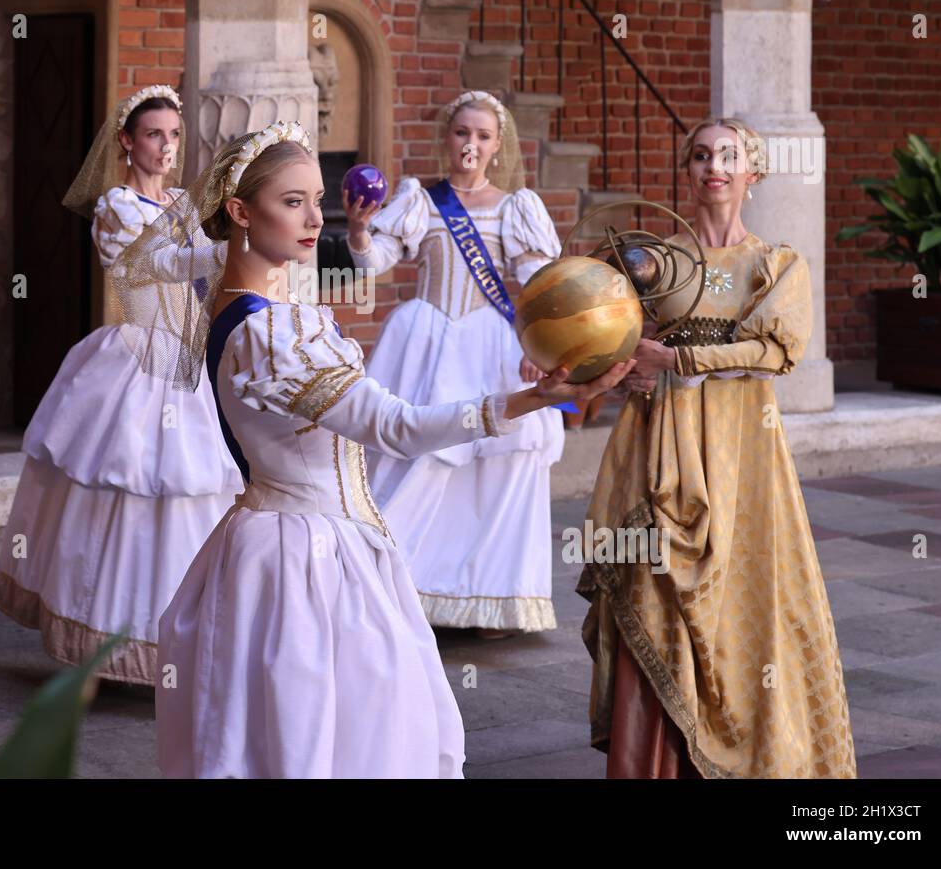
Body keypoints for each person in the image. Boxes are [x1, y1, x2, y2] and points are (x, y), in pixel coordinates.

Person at [112, 120, 633, 778]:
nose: (313, 219)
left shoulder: (257, 307)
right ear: (241, 211)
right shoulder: (263, 334)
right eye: (292, 201)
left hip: (310, 539)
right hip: (300, 557)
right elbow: (399, 427)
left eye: (315, 199)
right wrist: (536, 397)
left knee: (341, 728)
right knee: (321, 730)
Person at [577, 116, 856, 778]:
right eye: (700, 156)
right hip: (655, 445)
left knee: (748, 593)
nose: (713, 167)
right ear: (689, 171)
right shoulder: (653, 258)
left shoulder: (775, 263)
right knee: (652, 586)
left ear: (751, 173)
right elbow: (606, 332)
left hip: (741, 449)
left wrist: (674, 358)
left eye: (728, 156)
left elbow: (769, 355)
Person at [0, 85, 241, 686]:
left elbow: (206, 283)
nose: (166, 147)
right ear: (128, 141)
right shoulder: (117, 206)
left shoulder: (185, 202)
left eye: (174, 136)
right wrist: (236, 242)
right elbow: (156, 265)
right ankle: (114, 641)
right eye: (154, 135)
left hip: (190, 361)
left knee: (195, 494)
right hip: (138, 359)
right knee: (132, 490)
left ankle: (193, 638)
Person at [344, 91, 566, 637]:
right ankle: (402, 581)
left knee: (498, 462)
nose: (471, 144)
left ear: (497, 146)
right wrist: (357, 230)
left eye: (483, 136)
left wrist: (542, 350)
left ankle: (489, 592)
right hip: (424, 340)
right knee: (413, 452)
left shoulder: (517, 207)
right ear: (447, 137)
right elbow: (376, 262)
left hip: (492, 344)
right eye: (462, 132)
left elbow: (542, 286)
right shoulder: (421, 198)